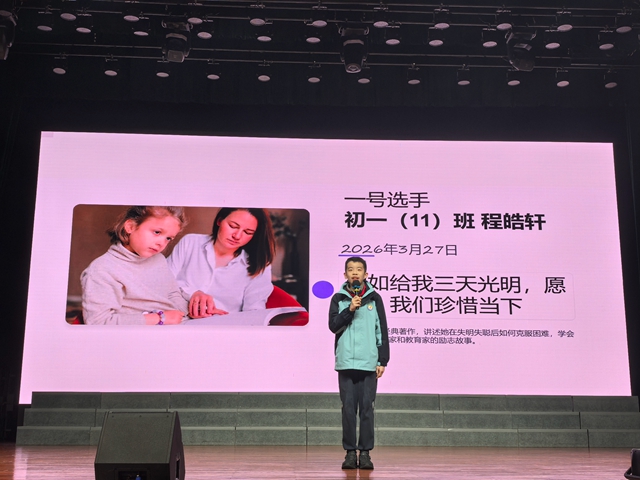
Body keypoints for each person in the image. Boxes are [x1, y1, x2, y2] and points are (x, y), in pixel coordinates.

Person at [328, 256, 389, 470]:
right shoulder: (339, 299)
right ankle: (349, 452)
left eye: (359, 269)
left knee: (366, 409)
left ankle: (365, 453)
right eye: (351, 269)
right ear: (345, 274)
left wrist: (382, 360)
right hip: (346, 363)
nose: (355, 272)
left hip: (368, 363)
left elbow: (381, 331)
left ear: (366, 274)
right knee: (347, 409)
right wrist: (350, 309)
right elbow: (333, 326)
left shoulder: (375, 299)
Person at [81, 206, 188, 325]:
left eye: (168, 238)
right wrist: (159, 318)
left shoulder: (159, 259)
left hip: (180, 325)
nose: (161, 243)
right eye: (157, 232)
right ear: (130, 227)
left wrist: (191, 311)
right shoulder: (102, 269)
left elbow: (172, 294)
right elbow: (98, 322)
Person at [167, 207, 276, 318]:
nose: (237, 236)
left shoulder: (260, 264)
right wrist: (192, 295)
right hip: (178, 319)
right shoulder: (190, 242)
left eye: (248, 232)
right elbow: (163, 283)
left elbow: (254, 312)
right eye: (233, 226)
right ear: (219, 221)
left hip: (224, 325)